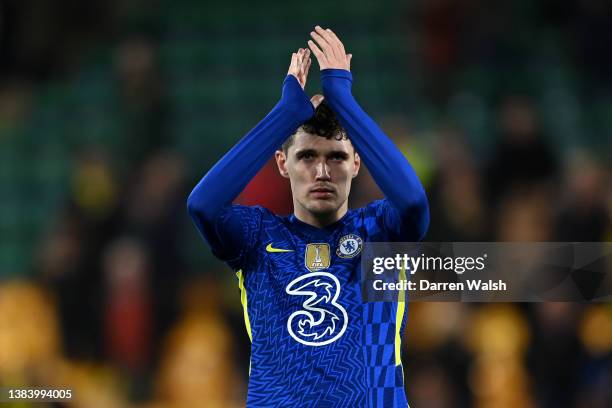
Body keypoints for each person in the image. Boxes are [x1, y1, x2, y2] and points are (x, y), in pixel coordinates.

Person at [187, 26, 429, 408]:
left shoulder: (380, 232)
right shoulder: (257, 236)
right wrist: (286, 115)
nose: (321, 172)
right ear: (283, 164)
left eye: (335, 156)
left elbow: (414, 202)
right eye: (306, 157)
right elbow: (202, 205)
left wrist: (342, 99)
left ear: (357, 163)